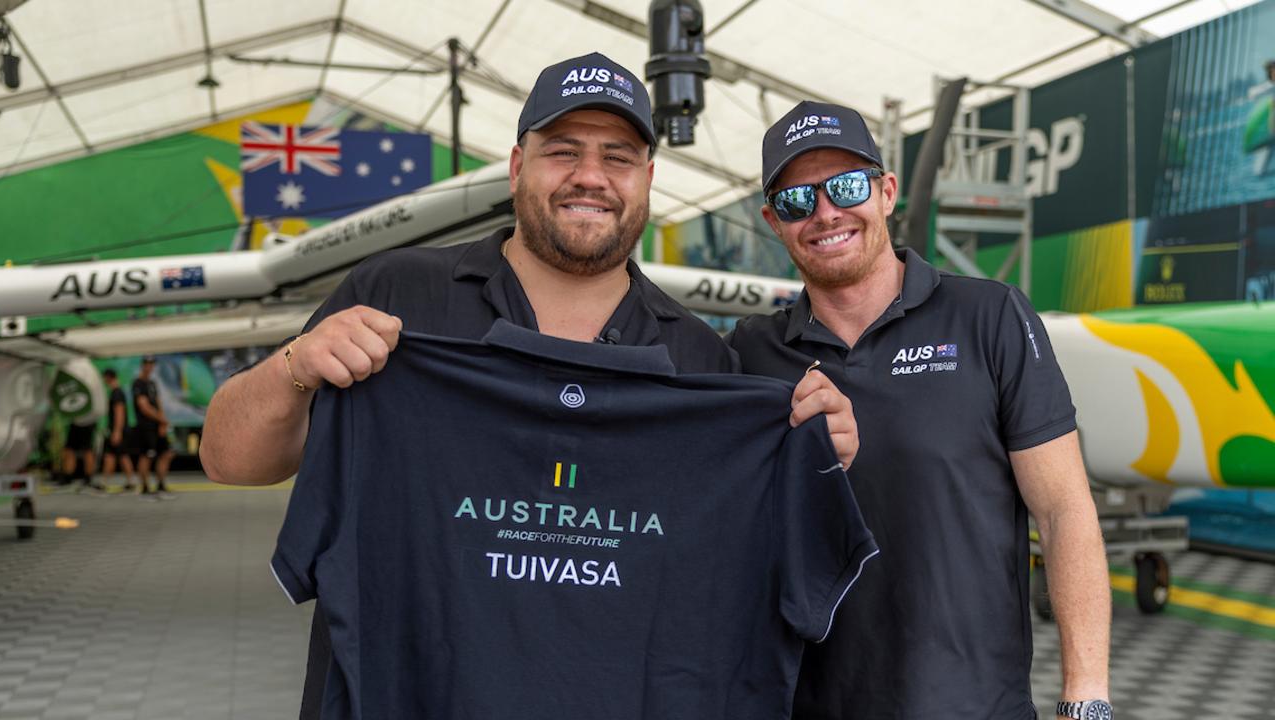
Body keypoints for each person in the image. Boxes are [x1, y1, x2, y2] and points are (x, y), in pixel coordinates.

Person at [200, 53, 858, 719]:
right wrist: (296, 367)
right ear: (518, 167)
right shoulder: (395, 297)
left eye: (618, 157)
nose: (590, 177)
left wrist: (818, 457)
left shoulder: (698, 361)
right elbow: (226, 461)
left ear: (648, 180)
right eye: (562, 151)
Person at [726, 101, 1111, 720]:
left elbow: (1064, 509)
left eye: (846, 186)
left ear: (886, 192)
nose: (825, 213)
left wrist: (1086, 699)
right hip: (811, 705)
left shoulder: (990, 317)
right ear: (774, 222)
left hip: (975, 705)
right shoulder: (751, 350)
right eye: (798, 201)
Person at [132, 356, 176, 499]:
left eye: (152, 364)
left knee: (167, 453)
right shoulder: (138, 383)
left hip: (157, 425)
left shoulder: (152, 383)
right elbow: (144, 407)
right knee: (147, 456)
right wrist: (161, 418)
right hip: (146, 427)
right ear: (143, 365)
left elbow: (157, 403)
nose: (149, 367)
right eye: (147, 364)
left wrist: (162, 422)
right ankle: (144, 487)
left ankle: (160, 484)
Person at [99, 368, 138, 492]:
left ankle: (104, 482)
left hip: (118, 430)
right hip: (120, 429)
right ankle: (130, 481)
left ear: (109, 377)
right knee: (119, 455)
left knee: (114, 455)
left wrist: (117, 431)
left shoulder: (117, 393)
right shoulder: (117, 392)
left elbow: (119, 412)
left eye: (104, 378)